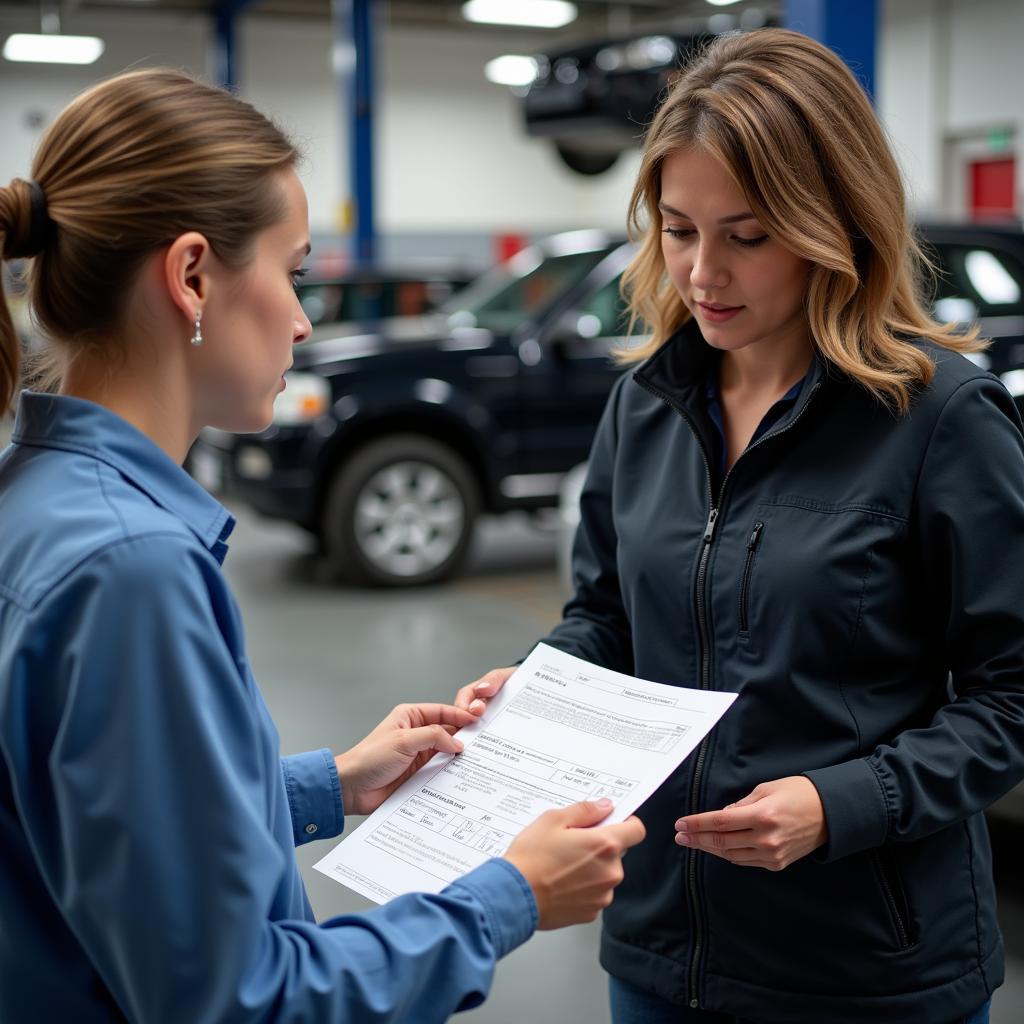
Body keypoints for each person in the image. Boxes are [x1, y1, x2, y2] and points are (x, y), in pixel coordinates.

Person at [0, 69, 646, 1023]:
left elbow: (97, 831)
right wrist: (509, 895)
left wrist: (325, 785)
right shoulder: (131, 570)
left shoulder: (37, 497)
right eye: (292, 273)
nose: (304, 320)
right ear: (190, 278)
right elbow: (233, 1000)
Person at [456, 27, 1024, 1024]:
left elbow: (1011, 696)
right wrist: (541, 687)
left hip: (869, 970)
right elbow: (603, 615)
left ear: (832, 223)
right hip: (660, 952)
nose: (701, 271)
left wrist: (844, 803)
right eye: (677, 228)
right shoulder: (645, 405)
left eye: (747, 235)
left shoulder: (941, 419)